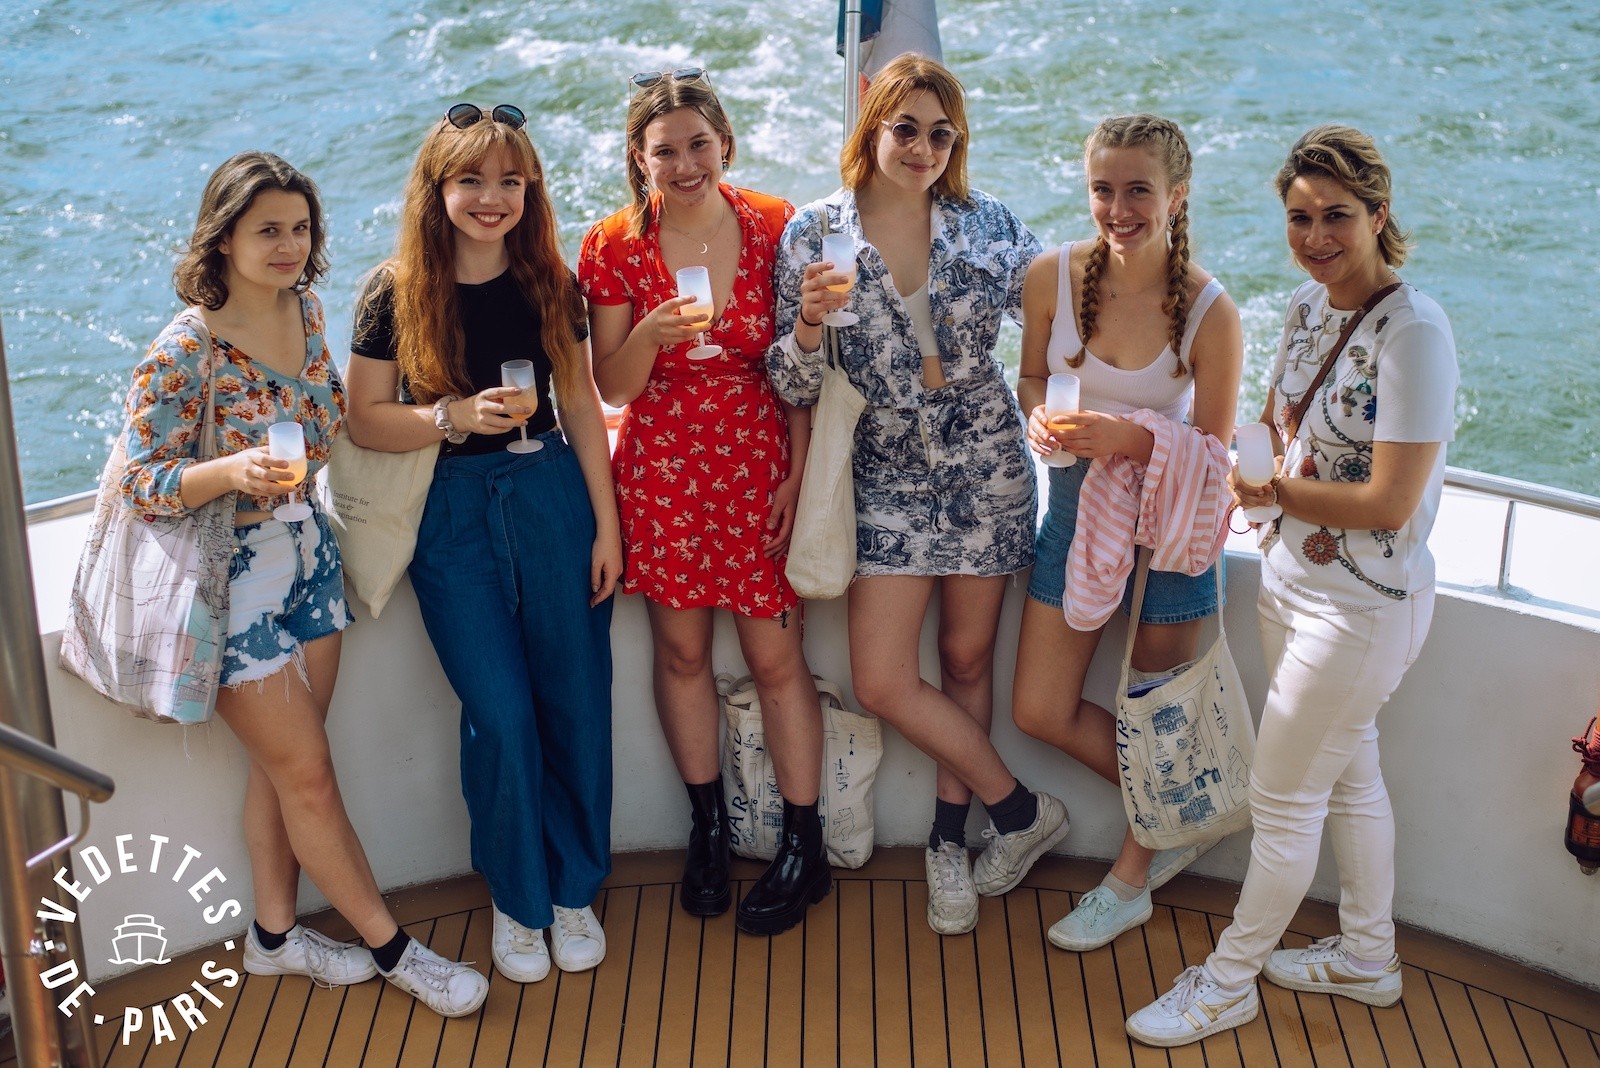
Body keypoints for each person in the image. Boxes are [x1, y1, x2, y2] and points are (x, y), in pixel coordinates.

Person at [121, 151, 487, 1016]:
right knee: (311, 776)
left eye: (299, 228)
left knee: (284, 773)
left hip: (308, 561)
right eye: (267, 230)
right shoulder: (185, 349)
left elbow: (332, 418)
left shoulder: (307, 307)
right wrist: (231, 471)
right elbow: (143, 481)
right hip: (232, 586)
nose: (289, 246)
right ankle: (397, 952)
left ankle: (274, 939)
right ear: (224, 238)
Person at [1126, 125, 1459, 1047]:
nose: (1316, 236)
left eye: (1337, 217)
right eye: (1300, 217)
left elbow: (1390, 502)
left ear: (1379, 214)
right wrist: (1267, 486)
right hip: (1291, 581)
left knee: (1283, 803)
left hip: (1361, 609)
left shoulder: (1416, 333)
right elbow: (1280, 418)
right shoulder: (1310, 309)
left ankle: (1229, 981)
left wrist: (1273, 491)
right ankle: (1365, 956)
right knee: (1350, 778)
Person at [768, 53, 1064, 938]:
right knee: (884, 679)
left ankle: (949, 842)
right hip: (884, 471)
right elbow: (788, 381)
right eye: (907, 129)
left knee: (969, 663)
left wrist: (1073, 388)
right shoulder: (813, 235)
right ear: (873, 125)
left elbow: (1062, 312)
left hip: (986, 467)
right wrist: (810, 324)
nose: (925, 148)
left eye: (942, 133)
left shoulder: (991, 226)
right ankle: (1020, 810)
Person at [344, 105, 620, 981]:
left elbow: (580, 405)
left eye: (509, 179)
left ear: (530, 187)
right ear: (438, 189)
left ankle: (573, 890)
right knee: (498, 712)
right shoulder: (394, 290)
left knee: (576, 697)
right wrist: (449, 417)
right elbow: (363, 418)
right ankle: (517, 898)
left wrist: (606, 526)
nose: (491, 197)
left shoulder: (552, 282)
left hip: (550, 493)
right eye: (470, 180)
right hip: (450, 510)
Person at [577, 67, 827, 937]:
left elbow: (801, 370)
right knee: (681, 656)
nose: (684, 165)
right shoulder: (612, 245)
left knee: (776, 661)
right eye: (664, 151)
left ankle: (804, 845)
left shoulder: (776, 224)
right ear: (638, 159)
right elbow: (610, 385)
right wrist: (648, 331)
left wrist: (797, 475)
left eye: (697, 144)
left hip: (760, 462)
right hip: (665, 470)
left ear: (724, 140)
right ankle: (708, 832)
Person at [1010, 115, 1243, 951]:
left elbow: (1213, 458)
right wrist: (1040, 415)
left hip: (1169, 530)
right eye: (1104, 189)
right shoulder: (1051, 276)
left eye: (1139, 189)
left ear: (1176, 197)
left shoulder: (1213, 314)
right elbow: (1035, 375)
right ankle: (1184, 811)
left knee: (1153, 714)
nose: (1119, 208)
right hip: (1072, 512)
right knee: (1038, 707)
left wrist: (1132, 439)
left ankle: (1130, 879)